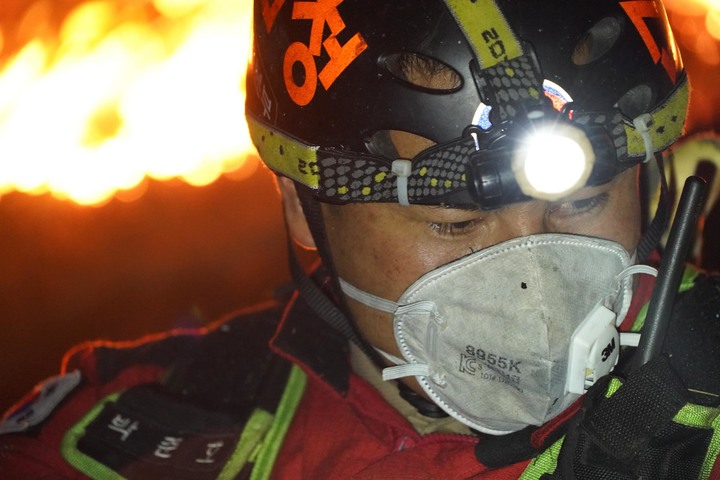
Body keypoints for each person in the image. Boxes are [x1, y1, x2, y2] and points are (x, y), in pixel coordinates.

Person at [2, 0, 719, 478]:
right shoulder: (119, 438)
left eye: (584, 201)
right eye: (454, 220)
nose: (534, 278)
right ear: (298, 205)